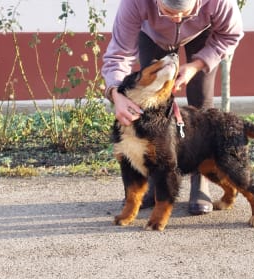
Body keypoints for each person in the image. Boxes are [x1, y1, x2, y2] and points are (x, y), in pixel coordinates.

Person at [102, 0, 244, 215]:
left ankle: (200, 180)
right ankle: (154, 177)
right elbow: (118, 55)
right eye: (168, 12)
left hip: (203, 33)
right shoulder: (134, 3)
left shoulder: (219, 2)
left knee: (201, 103)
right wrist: (116, 93)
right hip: (152, 34)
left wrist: (197, 65)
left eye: (183, 14)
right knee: (149, 103)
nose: (177, 19)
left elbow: (230, 35)